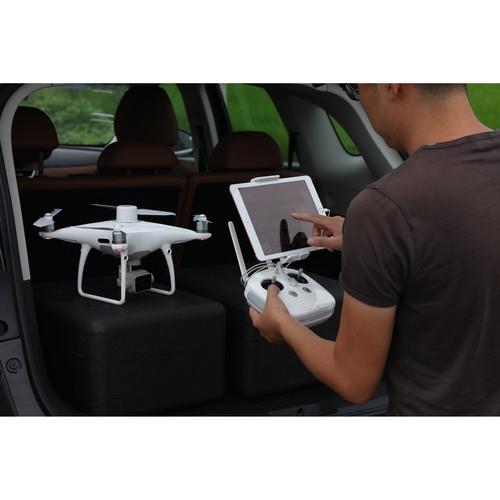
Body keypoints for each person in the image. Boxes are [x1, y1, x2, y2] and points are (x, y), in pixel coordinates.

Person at [249, 84, 500, 415]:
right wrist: (371, 240)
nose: (362, 102)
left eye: (356, 88)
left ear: (392, 85)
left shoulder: (385, 209)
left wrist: (283, 323)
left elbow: (353, 380)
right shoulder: (388, 217)